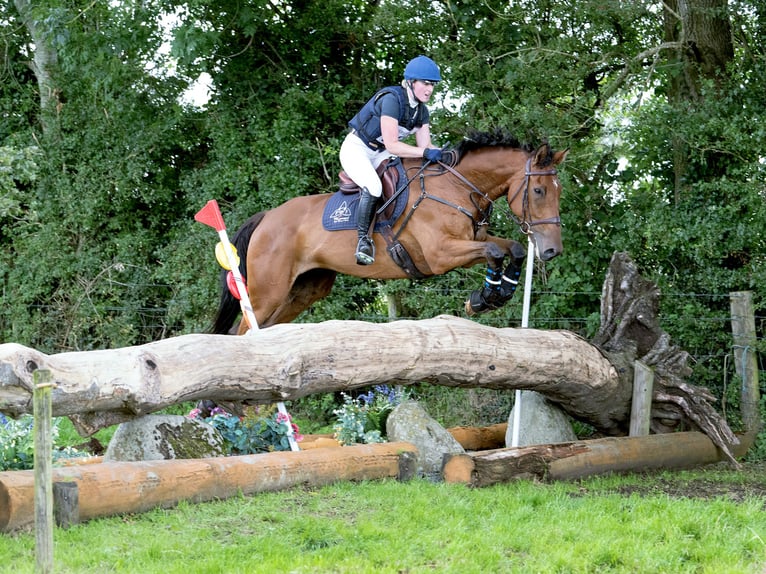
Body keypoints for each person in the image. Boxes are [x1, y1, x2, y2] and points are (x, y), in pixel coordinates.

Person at [340, 55, 444, 265]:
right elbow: (392, 145)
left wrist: (448, 153)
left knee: (406, 178)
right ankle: (363, 241)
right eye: (425, 84)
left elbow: (426, 147)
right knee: (374, 186)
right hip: (358, 149)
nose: (429, 89)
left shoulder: (421, 111)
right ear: (410, 82)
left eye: (432, 85)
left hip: (381, 152)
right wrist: (424, 153)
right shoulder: (392, 99)